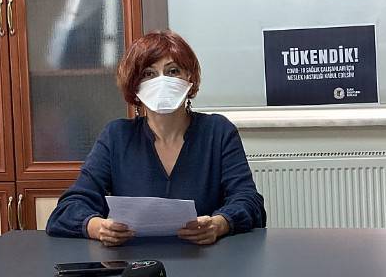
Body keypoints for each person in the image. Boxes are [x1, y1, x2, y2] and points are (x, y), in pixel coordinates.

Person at [46, 30, 266, 246]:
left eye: (173, 71)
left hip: (206, 258)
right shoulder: (117, 136)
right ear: (135, 84)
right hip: (134, 260)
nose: (162, 82)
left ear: (189, 77)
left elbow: (248, 201)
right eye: (149, 74)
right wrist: (98, 227)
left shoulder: (218, 132)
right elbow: (68, 208)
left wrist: (219, 224)